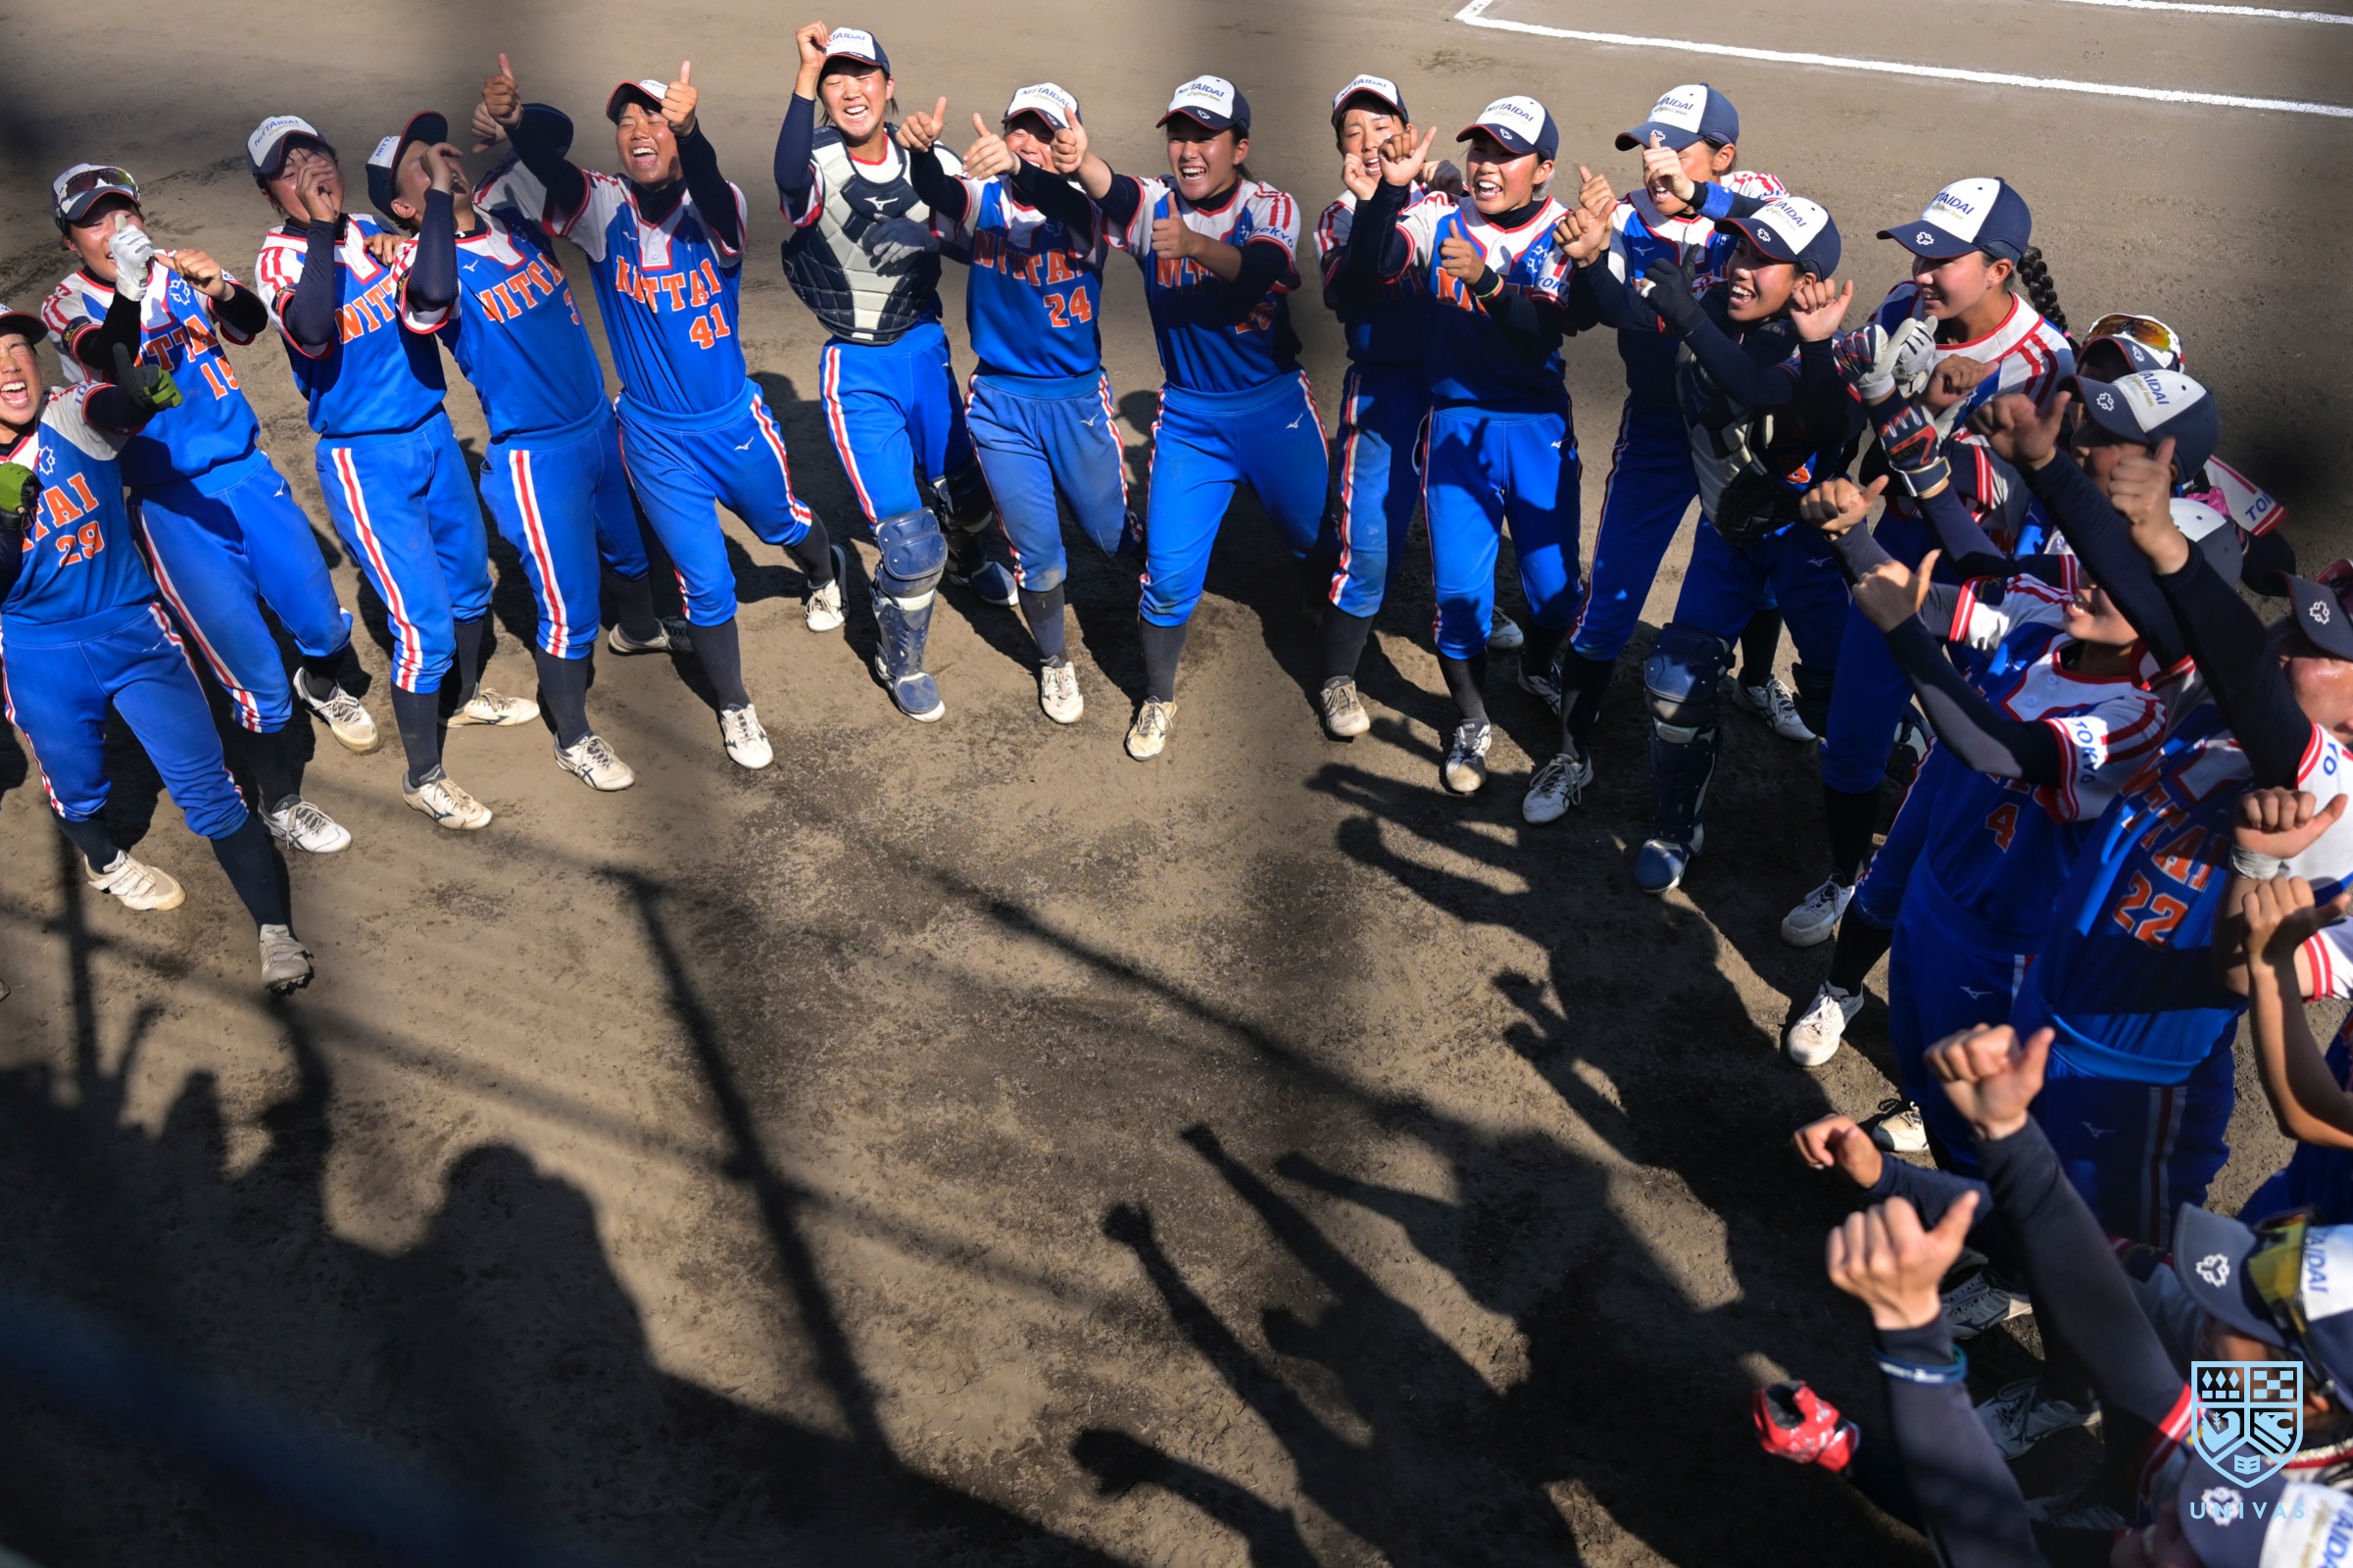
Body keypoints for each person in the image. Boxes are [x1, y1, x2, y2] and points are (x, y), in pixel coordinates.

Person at [481, 55, 842, 768]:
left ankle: (825, 575)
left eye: (655, 118)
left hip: (731, 423)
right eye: (627, 121)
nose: (640, 130)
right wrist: (517, 124)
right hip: (652, 436)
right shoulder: (603, 208)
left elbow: (707, 182)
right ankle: (735, 707)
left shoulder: (717, 207)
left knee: (782, 524)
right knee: (706, 584)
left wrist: (695, 132)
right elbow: (557, 178)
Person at [42, 163, 369, 856]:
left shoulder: (174, 267)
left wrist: (219, 285)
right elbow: (108, 355)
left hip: (249, 474)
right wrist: (131, 288)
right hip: (173, 507)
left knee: (321, 623)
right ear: (71, 241)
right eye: (94, 221)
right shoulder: (65, 304)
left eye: (123, 212)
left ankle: (319, 682)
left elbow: (250, 325)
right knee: (253, 674)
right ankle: (281, 802)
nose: (115, 229)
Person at [1781, 177, 2075, 949]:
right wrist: (1879, 390)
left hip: (1997, 573)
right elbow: (1866, 452)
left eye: (1942, 259)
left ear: (1999, 270)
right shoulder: (1901, 310)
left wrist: (1915, 410)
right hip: (1903, 545)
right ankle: (1846, 875)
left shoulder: (2045, 364)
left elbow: (2015, 502)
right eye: (1919, 253)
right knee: (1850, 734)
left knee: (1976, 755)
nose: (1921, 271)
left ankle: (1928, 889)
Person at [0, 306, 312, 992]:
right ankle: (106, 861)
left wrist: (138, 392)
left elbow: (115, 406)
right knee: (76, 787)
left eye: (18, 348)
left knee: (211, 789)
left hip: (135, 634)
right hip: (38, 654)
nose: (10, 367)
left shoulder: (66, 415)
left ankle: (277, 933)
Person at [1559, 190, 1859, 883]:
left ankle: (1869, 859)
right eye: (1740, 248)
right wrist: (1594, 261)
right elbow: (1627, 310)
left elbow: (1760, 387)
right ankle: (1675, 826)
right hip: (1729, 535)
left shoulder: (1821, 347)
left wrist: (1690, 318)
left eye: (1764, 258)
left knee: (1847, 705)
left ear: (1807, 282)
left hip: (1809, 551)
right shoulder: (1711, 299)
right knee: (1675, 682)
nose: (1741, 267)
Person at [248, 114, 534, 831]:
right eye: (289, 169)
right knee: (423, 624)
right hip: (365, 458)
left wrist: (415, 221)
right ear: (270, 193)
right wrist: (324, 232)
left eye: (317, 154)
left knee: (471, 586)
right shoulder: (280, 259)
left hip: (431, 433)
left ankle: (463, 699)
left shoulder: (374, 232)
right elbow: (313, 330)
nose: (310, 171)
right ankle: (423, 777)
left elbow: (430, 301)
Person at [368, 111, 652, 791]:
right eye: (421, 167)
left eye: (442, 153)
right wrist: (437, 207)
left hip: (597, 427)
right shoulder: (415, 259)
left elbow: (555, 132)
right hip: (536, 459)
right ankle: (574, 739)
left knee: (632, 553)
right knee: (569, 608)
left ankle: (641, 632)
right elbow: (429, 300)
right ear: (405, 207)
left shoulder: (509, 215)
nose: (443, 165)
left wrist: (509, 120)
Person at [1061, 74, 1328, 762]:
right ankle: (1157, 696)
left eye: (1205, 137)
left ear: (1239, 148)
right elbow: (1114, 191)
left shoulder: (1270, 205)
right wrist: (1080, 160)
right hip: (1190, 419)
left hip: (1273, 408)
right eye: (1178, 135)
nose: (1188, 150)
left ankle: (1327, 644)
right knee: (1168, 577)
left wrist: (1196, 246)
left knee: (1314, 542)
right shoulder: (1155, 203)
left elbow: (1257, 274)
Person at [1343, 97, 1592, 795]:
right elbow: (1366, 274)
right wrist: (1385, 197)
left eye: (1504, 154)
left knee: (1555, 595)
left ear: (1542, 169)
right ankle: (1472, 720)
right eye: (1479, 150)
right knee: (1457, 598)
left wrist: (1483, 280)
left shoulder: (1560, 230)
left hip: (1537, 429)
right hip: (1455, 428)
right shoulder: (1434, 217)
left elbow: (1541, 332)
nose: (1485, 165)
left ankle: (1536, 665)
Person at [1553, 84, 1805, 770]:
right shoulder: (1625, 217)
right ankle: (1571, 755)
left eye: (1674, 151)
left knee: (1760, 567)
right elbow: (1616, 313)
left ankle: (1756, 681)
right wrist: (1589, 257)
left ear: (1723, 156)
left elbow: (1794, 233)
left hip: (1743, 429)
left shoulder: (1753, 198)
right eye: (1646, 149)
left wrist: (1698, 197)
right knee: (1611, 592)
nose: (1653, 164)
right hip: (1660, 429)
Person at [775, 24, 1013, 723]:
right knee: (909, 545)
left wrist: (942, 220)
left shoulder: (928, 156)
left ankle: (968, 559)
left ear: (888, 85)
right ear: (822, 93)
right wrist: (802, 75)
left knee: (968, 497)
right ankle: (899, 659)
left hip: (925, 351)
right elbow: (788, 182)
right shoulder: (814, 160)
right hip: (858, 369)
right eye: (835, 78)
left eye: (864, 75)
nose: (851, 90)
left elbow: (981, 243)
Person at [896, 82, 1129, 725]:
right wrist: (921, 156)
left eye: (1044, 132)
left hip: (1076, 400)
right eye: (1017, 129)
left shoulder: (1090, 205)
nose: (1027, 141)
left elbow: (1059, 198)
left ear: (1069, 141)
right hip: (1002, 403)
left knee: (1109, 532)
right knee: (1035, 549)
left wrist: (1024, 170)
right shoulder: (986, 197)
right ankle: (1053, 660)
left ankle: (1154, 590)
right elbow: (942, 194)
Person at [1308, 74, 1450, 739]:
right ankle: (1337, 674)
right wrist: (1384, 198)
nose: (1368, 142)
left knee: (1467, 522)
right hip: (1383, 395)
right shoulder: (1338, 216)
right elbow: (1357, 283)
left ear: (1408, 132)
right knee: (1368, 542)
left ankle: (1477, 607)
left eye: (1381, 127)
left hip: (1458, 390)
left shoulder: (1449, 199)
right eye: (1352, 132)